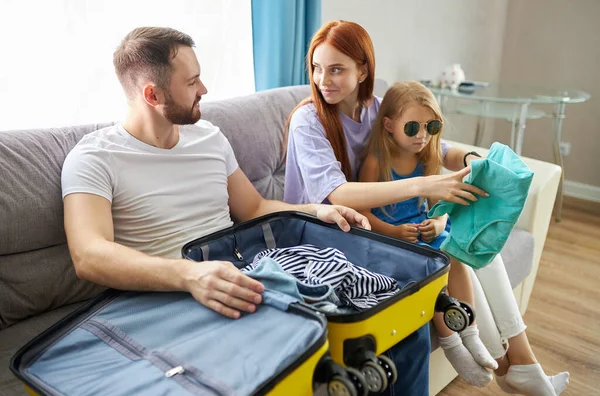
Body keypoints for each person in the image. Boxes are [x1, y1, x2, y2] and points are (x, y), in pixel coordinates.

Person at [284, 20, 569, 395]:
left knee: (474, 246)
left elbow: (434, 141)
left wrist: (471, 159)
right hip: (326, 230)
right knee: (452, 257)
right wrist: (425, 184)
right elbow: (337, 194)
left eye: (336, 68)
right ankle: (507, 367)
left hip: (368, 225)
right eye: (317, 68)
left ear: (363, 69)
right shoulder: (309, 120)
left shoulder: (377, 109)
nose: (324, 80)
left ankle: (523, 362)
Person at [61, 26, 371, 327]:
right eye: (192, 82)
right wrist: (190, 275)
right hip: (172, 298)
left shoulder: (208, 137)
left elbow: (254, 209)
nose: (204, 90)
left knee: (376, 311)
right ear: (152, 96)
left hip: (244, 272)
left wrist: (318, 211)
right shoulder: (93, 158)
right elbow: (89, 256)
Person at [359, 80, 497, 387]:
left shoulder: (426, 159)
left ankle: (470, 333)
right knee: (431, 273)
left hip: (424, 232)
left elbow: (439, 205)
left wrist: (438, 222)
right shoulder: (375, 163)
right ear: (389, 125)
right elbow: (364, 215)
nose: (422, 135)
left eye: (431, 126)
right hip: (391, 240)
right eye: (412, 128)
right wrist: (394, 230)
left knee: (454, 256)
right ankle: (452, 346)